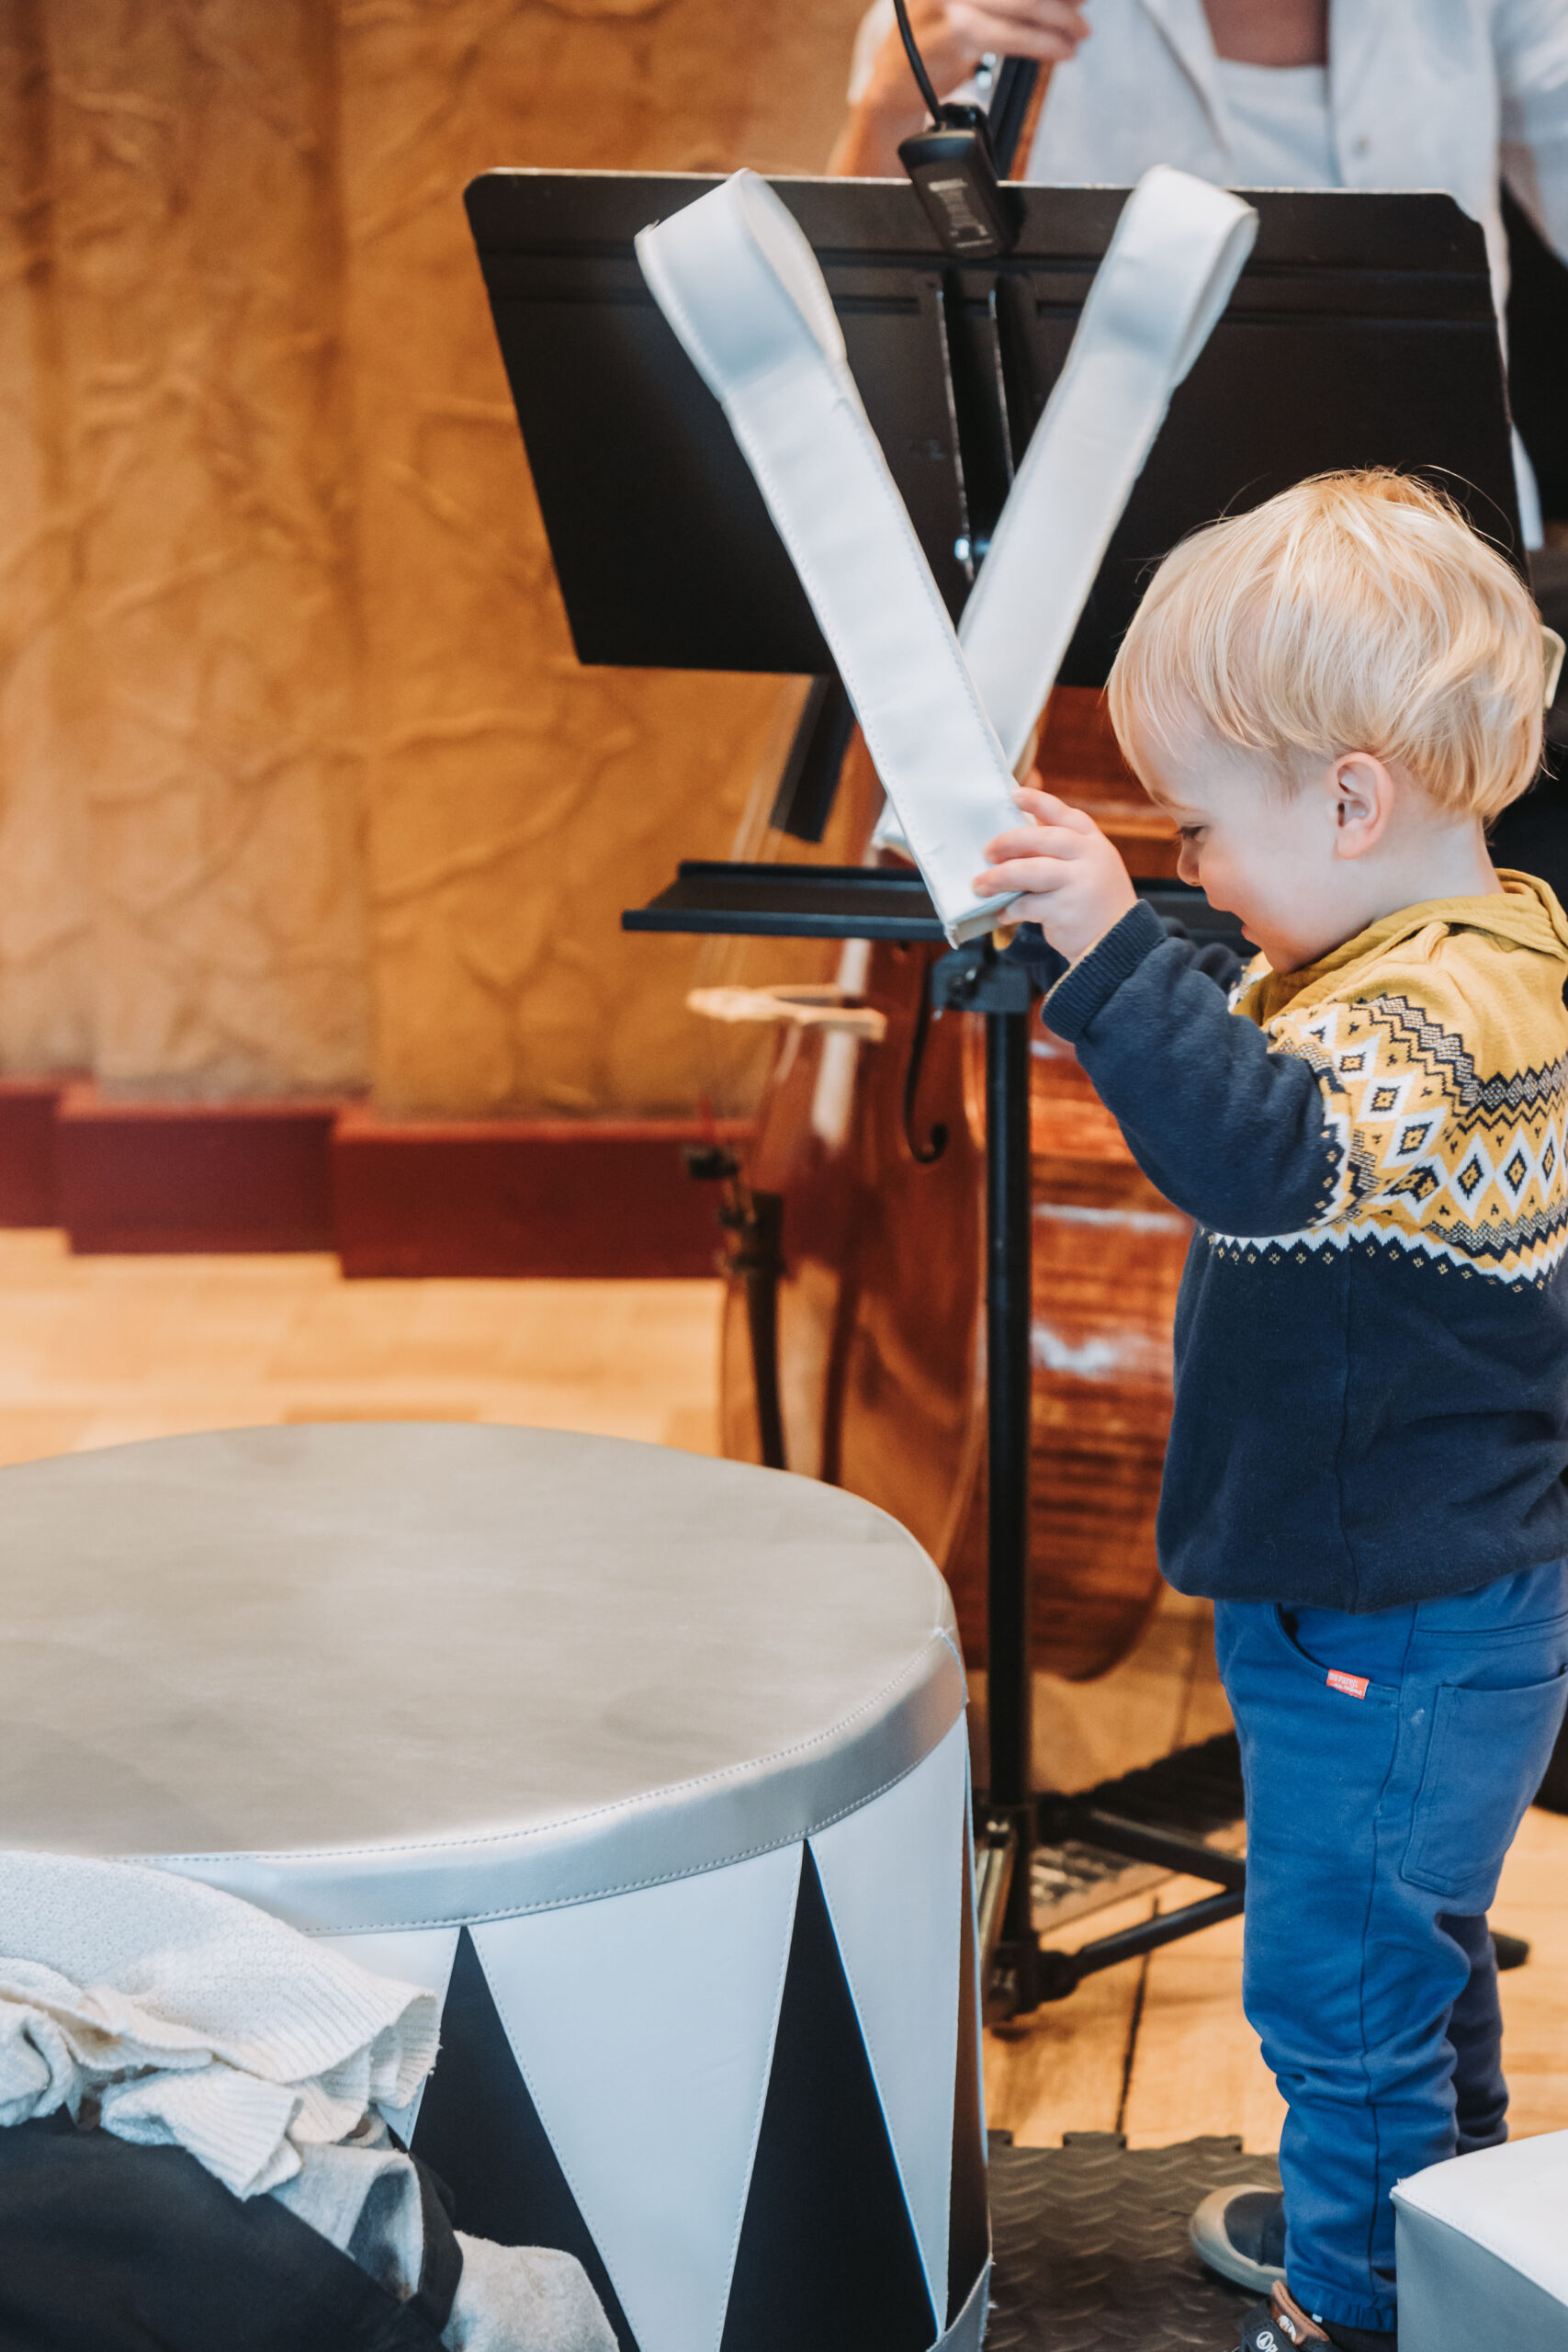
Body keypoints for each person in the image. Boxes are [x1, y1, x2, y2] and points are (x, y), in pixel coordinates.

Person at [976, 470, 1568, 2350]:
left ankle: (1356, 2306)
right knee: (1408, 1954)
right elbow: (1259, 1063)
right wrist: (1120, 947)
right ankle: (1437, 2246)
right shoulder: (1468, 951)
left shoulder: (1418, 1030)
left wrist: (1106, 945)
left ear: (1347, 803)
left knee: (1341, 1991)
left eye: (1202, 828)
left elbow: (1261, 1149)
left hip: (1384, 1619)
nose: (1199, 871)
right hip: (1416, 1598)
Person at [834, 0, 1568, 544]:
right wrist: (892, 102)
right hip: (1093, 567)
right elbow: (864, 326)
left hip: (1431, 554)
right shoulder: (976, 11)